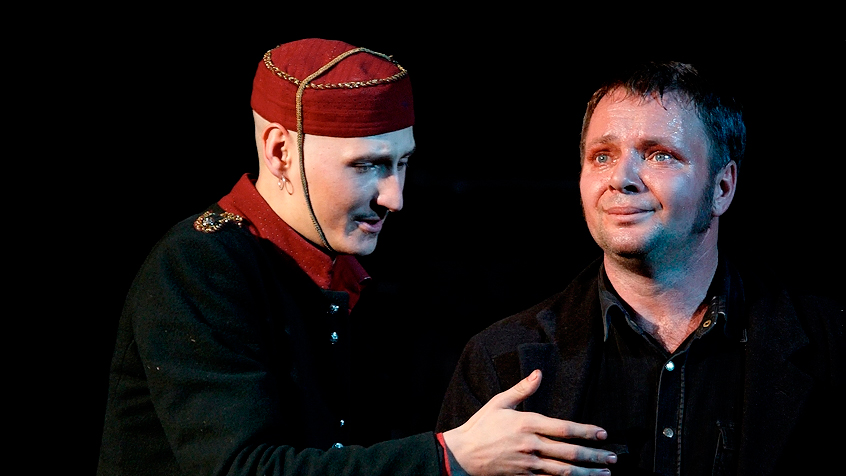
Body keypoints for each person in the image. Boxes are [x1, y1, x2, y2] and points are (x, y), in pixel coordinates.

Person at [97, 38, 617, 476]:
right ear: (279, 151)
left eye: (402, 162)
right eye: (367, 165)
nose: (395, 197)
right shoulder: (201, 264)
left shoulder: (331, 268)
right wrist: (448, 456)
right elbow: (243, 468)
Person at [436, 61, 844, 475]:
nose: (621, 178)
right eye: (602, 156)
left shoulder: (832, 343)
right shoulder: (501, 360)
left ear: (722, 187)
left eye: (660, 155)